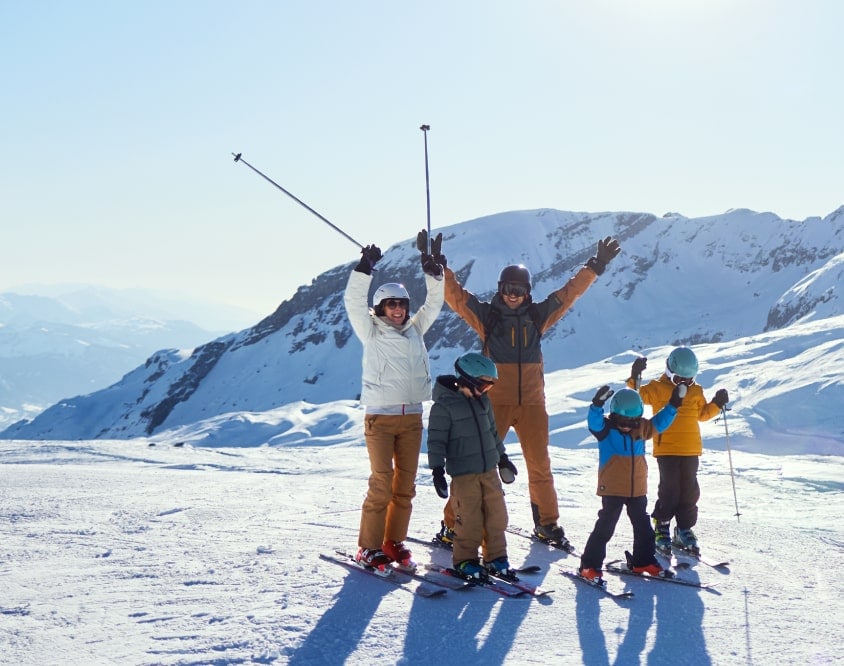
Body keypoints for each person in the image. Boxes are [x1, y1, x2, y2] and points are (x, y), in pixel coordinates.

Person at [431, 235, 622, 549]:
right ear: (500, 289)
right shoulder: (488, 317)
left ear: (527, 293)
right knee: (477, 463)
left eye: (519, 290)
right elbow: (458, 299)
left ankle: (547, 523)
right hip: (495, 402)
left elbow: (568, 294)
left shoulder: (537, 316)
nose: (512, 295)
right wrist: (442, 271)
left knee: (540, 466)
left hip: (532, 403)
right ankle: (453, 525)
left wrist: (595, 266)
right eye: (508, 289)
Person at [344, 230, 445, 571]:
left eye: (402, 304)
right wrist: (365, 268)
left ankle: (393, 541)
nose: (398, 309)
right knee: (382, 483)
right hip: (381, 418)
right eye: (391, 304)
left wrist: (434, 276)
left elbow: (434, 304)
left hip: (412, 417)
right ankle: (368, 547)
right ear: (380, 307)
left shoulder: (415, 329)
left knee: (405, 486)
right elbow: (352, 302)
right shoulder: (371, 330)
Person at [578, 384, 686, 582]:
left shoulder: (642, 428)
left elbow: (660, 422)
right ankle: (589, 565)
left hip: (637, 488)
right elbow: (594, 422)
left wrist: (673, 404)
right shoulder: (606, 430)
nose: (627, 426)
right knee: (606, 526)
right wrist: (597, 405)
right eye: (622, 421)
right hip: (613, 488)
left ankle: (643, 561)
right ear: (613, 416)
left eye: (632, 422)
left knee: (644, 527)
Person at [628, 346, 730, 555]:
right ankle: (662, 525)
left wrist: (716, 404)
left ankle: (684, 528)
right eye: (678, 380)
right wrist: (635, 376)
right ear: (668, 372)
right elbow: (637, 395)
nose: (684, 384)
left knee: (690, 491)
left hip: (690, 449)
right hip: (666, 449)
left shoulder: (696, 391)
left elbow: (702, 414)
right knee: (670, 490)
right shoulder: (658, 388)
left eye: (688, 380)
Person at [426, 352, 519, 581]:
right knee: (469, 520)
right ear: (468, 380)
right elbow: (436, 441)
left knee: (497, 517)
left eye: (489, 387)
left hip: (489, 471)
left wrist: (503, 459)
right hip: (464, 475)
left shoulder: (483, 402)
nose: (487, 391)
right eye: (484, 386)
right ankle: (465, 560)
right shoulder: (444, 407)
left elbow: (492, 433)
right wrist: (437, 470)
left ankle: (495, 558)